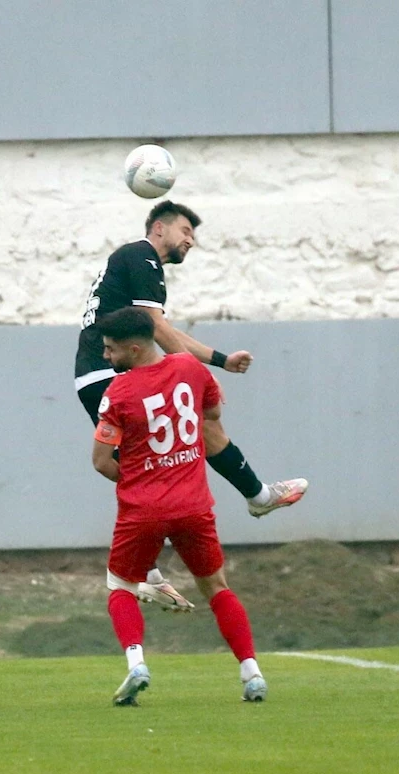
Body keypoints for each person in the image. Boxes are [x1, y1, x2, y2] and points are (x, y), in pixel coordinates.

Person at [75, 199, 308, 610]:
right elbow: (157, 328)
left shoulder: (139, 263)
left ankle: (148, 569)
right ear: (159, 227)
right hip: (112, 372)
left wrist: (219, 360)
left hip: (102, 375)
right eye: (186, 230)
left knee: (162, 452)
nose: (191, 240)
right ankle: (252, 500)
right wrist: (193, 370)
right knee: (164, 454)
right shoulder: (141, 255)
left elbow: (159, 330)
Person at [92, 307, 268, 705]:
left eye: (110, 350)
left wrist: (140, 475)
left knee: (120, 585)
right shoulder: (191, 368)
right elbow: (213, 414)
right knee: (217, 588)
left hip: (143, 510)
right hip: (193, 505)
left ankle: (137, 664)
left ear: (134, 349)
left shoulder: (117, 393)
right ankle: (251, 672)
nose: (105, 356)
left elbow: (102, 461)